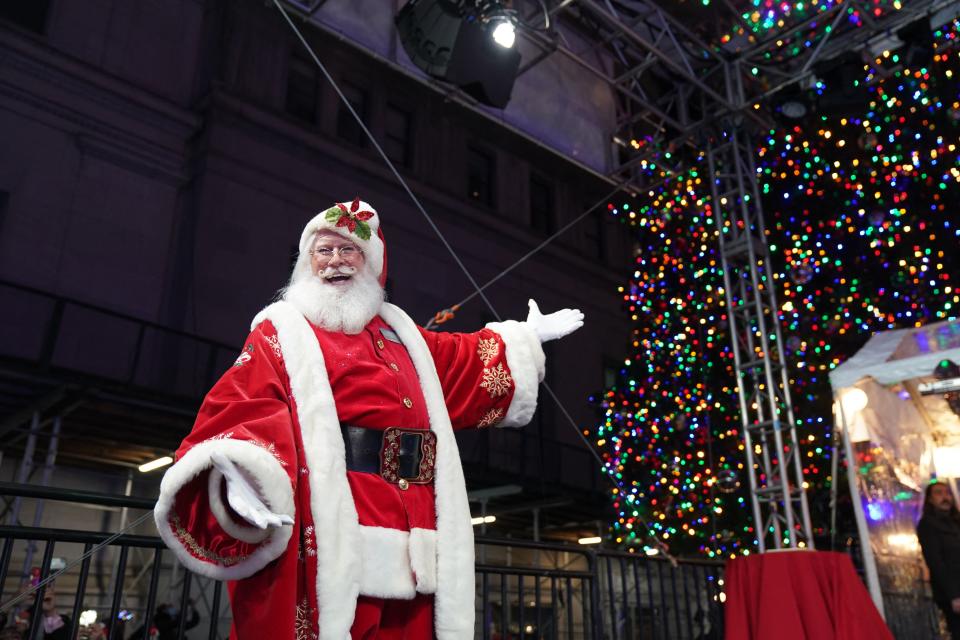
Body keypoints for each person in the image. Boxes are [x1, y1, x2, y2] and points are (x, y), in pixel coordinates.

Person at [154, 199, 584, 639]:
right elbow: (244, 403)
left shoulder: (402, 333)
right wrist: (245, 475)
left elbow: (459, 362)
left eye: (349, 251)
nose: (335, 262)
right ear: (306, 262)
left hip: (419, 528)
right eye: (323, 251)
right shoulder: (280, 329)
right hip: (335, 521)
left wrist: (525, 338)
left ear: (371, 263)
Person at [917, 480, 960, 639]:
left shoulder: (956, 521)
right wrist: (953, 595)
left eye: (947, 493)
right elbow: (935, 562)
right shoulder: (927, 525)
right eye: (939, 493)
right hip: (952, 592)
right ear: (930, 499)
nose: (945, 497)